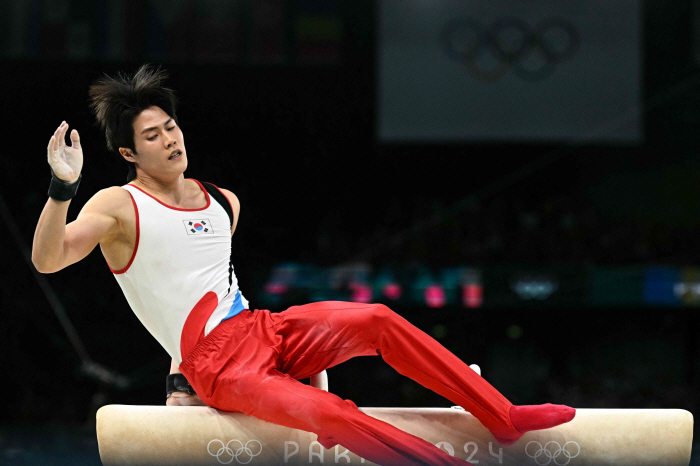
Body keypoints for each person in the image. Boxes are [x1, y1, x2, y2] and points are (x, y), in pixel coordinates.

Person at [32, 65, 575, 466]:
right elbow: (48, 259)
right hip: (219, 368)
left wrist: (300, 358)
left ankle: (502, 416)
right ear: (129, 155)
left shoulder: (223, 201)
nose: (170, 140)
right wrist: (63, 189)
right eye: (152, 137)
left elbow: (210, 288)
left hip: (264, 329)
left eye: (170, 127)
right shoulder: (119, 205)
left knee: (377, 320)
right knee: (334, 414)